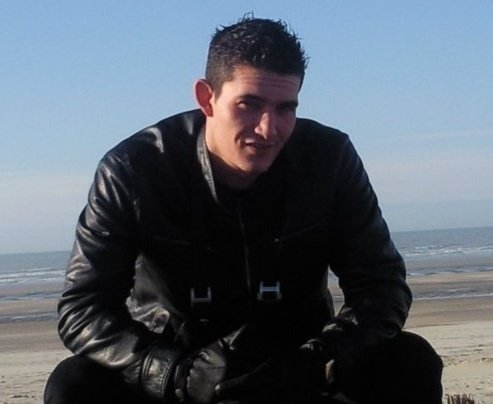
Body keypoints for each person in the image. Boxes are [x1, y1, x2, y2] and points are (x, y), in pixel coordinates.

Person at [44, 17, 443, 404]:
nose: (268, 129)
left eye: (285, 108)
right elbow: (83, 308)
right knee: (74, 383)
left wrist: (318, 359)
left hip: (297, 363)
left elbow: (382, 288)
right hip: (180, 368)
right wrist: (172, 373)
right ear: (207, 98)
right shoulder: (134, 169)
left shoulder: (329, 158)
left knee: (410, 361)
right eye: (249, 105)